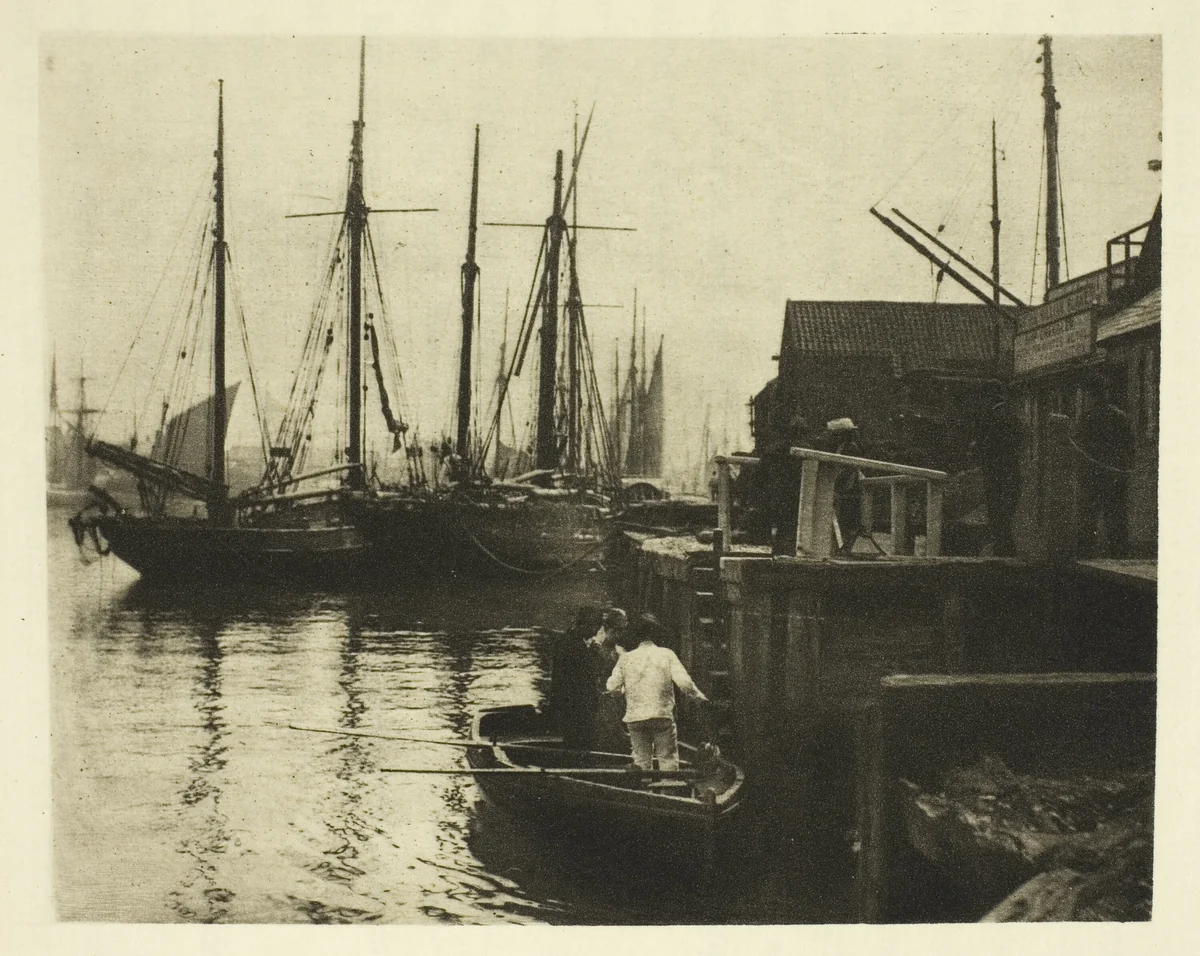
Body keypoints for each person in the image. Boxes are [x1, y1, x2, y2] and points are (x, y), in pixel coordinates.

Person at [604, 613, 708, 772]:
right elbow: (685, 684)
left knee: (641, 760)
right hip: (661, 715)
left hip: (635, 717)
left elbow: (612, 687)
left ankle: (642, 786)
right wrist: (699, 697)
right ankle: (668, 786)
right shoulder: (667, 654)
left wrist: (624, 691)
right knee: (667, 758)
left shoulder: (626, 658)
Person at [1073, 375, 1135, 558]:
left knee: (1088, 518)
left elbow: (1079, 446)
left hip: (1093, 475)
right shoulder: (1120, 416)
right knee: (1116, 517)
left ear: (1091, 395)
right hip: (1115, 475)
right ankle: (1119, 555)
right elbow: (1130, 447)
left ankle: (1086, 556)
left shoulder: (1087, 417)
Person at [970, 394, 1025, 557]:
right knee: (1006, 510)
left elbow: (983, 447)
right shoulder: (1014, 419)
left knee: (997, 510)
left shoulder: (991, 421)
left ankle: (1003, 548)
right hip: (1011, 472)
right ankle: (1005, 547)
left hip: (995, 473)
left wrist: (978, 452)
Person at [548, 604, 605, 751]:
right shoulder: (569, 644)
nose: (595, 632)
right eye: (594, 627)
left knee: (581, 741)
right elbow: (571, 676)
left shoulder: (573, 642)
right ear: (584, 625)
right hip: (574, 705)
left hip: (580, 704)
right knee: (578, 742)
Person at [762, 410, 810, 554]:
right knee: (795, 527)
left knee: (782, 528)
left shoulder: (773, 449)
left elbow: (761, 472)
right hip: (799, 494)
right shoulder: (808, 449)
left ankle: (778, 554)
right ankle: (792, 554)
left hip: (777, 494)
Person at [817, 418, 864, 554]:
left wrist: (837, 484)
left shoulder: (850, 447)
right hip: (845, 485)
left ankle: (844, 548)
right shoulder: (842, 446)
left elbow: (848, 470)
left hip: (849, 486)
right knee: (842, 518)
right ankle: (840, 548)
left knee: (847, 518)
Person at [589, 608, 629, 753]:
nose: (620, 634)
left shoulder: (622, 652)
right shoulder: (596, 650)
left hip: (618, 700)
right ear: (607, 628)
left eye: (622, 630)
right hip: (601, 700)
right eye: (617, 630)